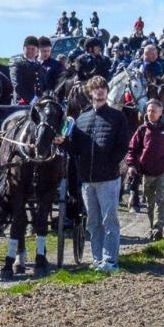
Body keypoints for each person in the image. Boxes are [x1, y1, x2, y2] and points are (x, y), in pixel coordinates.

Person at [62, 76, 130, 271]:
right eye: (96, 88)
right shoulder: (81, 118)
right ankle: (97, 259)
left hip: (108, 178)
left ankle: (110, 261)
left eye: (102, 88)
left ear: (107, 92)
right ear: (90, 92)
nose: (99, 91)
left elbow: (122, 145)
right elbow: (74, 148)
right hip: (87, 180)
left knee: (109, 221)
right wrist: (63, 142)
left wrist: (109, 163)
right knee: (92, 222)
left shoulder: (117, 117)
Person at [125, 99, 164, 241]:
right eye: (148, 111)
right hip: (146, 172)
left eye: (154, 111)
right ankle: (152, 227)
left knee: (160, 201)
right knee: (150, 202)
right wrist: (131, 165)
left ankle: (158, 229)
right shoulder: (142, 130)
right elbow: (132, 149)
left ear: (161, 112)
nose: (150, 113)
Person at [11, 35, 46, 104]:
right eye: (28, 48)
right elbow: (17, 85)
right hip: (22, 102)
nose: (30, 51)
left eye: (33, 49)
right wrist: (31, 99)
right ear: (23, 49)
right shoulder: (17, 64)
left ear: (37, 51)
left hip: (38, 102)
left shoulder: (38, 65)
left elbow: (43, 84)